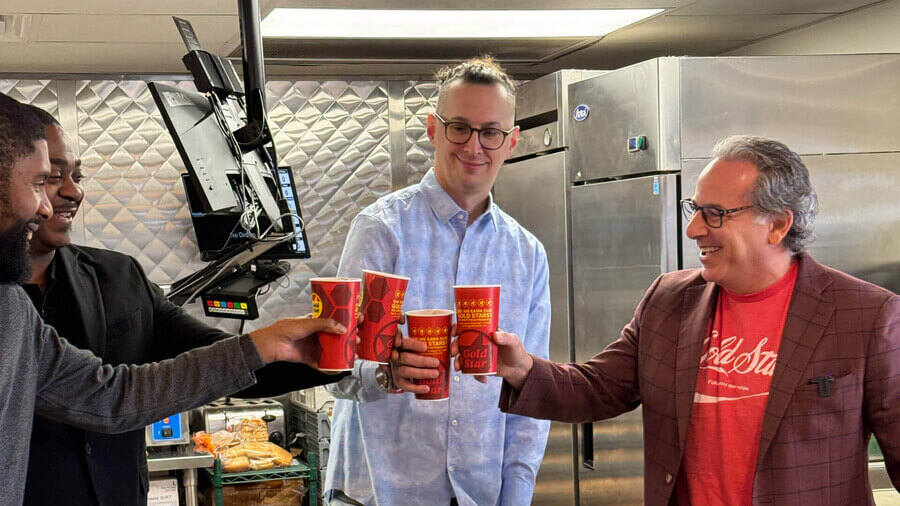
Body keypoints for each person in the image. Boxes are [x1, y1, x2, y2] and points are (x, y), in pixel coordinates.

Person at [477, 135, 899, 505]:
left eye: (715, 213)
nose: (694, 228)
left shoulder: (865, 314)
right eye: (694, 209)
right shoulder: (670, 300)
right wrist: (521, 369)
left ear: (777, 224)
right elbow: (600, 387)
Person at [0, 92, 346, 505]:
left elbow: (114, 395)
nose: (58, 198)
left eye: (75, 176)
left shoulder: (28, 305)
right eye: (45, 179)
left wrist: (282, 347)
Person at [324, 56, 552, 505]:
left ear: (512, 141)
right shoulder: (381, 230)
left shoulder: (527, 254)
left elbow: (531, 395)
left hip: (477, 494)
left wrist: (516, 497)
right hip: (379, 493)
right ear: (432, 129)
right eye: (459, 127)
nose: (474, 146)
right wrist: (387, 375)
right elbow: (335, 366)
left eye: (491, 132)